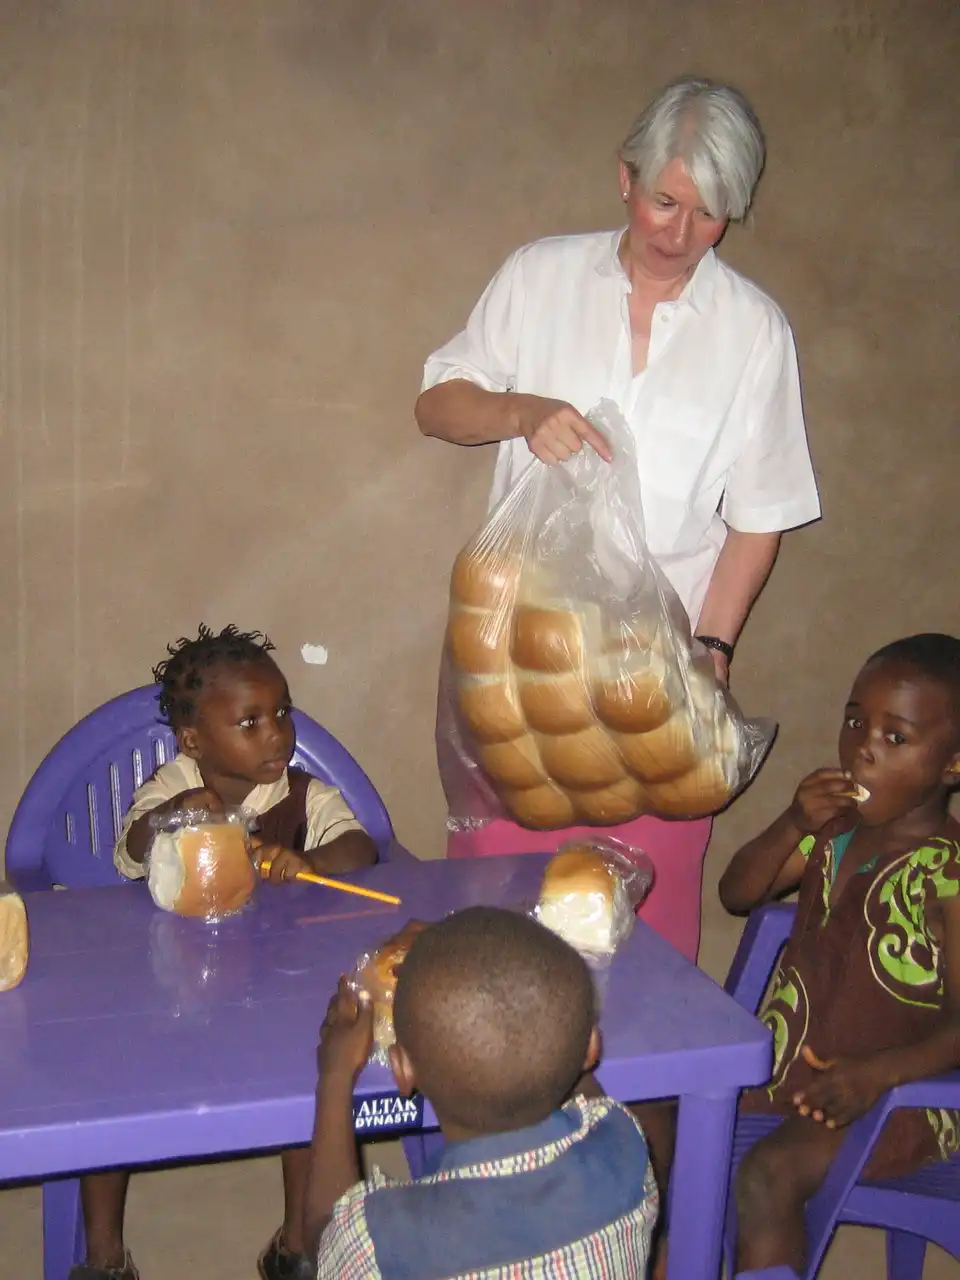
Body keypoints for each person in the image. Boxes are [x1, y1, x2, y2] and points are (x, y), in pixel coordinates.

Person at [415, 75, 821, 964]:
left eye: (710, 213)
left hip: (656, 678)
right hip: (517, 666)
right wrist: (521, 411)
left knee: (643, 944)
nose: (680, 234)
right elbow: (438, 406)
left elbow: (761, 515)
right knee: (497, 933)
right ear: (625, 180)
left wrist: (712, 652)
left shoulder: (754, 331)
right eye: (666, 200)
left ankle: (642, 1105)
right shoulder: (540, 275)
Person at [72, 625, 377, 1280]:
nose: (277, 735)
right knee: (101, 1077)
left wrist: (308, 859)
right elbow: (131, 849)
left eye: (282, 714)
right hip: (166, 989)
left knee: (311, 1074)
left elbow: (361, 850)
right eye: (250, 722)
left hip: (275, 990)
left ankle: (297, 1245)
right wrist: (179, 812)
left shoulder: (301, 798)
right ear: (194, 741)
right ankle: (103, 1255)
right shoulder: (172, 784)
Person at [718, 633, 960, 1272]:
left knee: (766, 1177)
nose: (862, 750)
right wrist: (794, 821)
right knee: (657, 1119)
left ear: (954, 764)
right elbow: (738, 892)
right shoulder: (833, 833)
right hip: (786, 1077)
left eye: (895, 738)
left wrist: (876, 1075)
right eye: (855, 721)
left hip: (895, 1097)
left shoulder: (950, 875)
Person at [305, 906, 658, 1278]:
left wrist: (336, 1076)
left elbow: (324, 1235)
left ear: (403, 1070)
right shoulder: (625, 1148)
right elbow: (584, 1081)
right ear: (590, 1047)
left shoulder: (384, 1241)